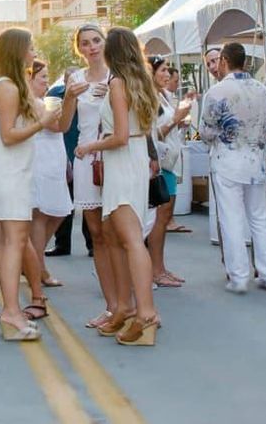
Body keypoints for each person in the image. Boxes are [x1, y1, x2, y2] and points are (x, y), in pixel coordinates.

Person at [75, 27, 159, 346]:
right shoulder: (132, 81)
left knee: (131, 239)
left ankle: (145, 312)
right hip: (128, 161)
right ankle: (124, 306)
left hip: (123, 162)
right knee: (113, 234)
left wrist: (89, 147)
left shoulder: (119, 83)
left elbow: (121, 135)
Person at [0, 29, 59, 342]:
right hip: (9, 173)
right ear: (19, 51)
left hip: (12, 172)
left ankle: (11, 311)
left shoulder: (10, 86)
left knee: (11, 243)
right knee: (14, 242)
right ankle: (11, 312)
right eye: (30, 48)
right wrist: (41, 124)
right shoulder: (7, 88)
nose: (34, 52)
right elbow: (7, 135)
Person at [199, 42, 266, 294]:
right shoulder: (264, 91)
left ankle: (239, 276)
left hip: (227, 160)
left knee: (231, 218)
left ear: (223, 60)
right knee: (259, 217)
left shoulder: (217, 92)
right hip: (256, 160)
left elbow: (205, 131)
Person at [59, 24, 117, 329]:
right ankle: (111, 307)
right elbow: (63, 124)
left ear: (105, 42)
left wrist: (113, 95)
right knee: (97, 234)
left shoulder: (117, 76)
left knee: (118, 232)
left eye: (96, 40)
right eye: (85, 43)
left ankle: (126, 305)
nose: (92, 47)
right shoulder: (76, 79)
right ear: (78, 48)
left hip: (114, 158)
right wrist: (69, 97)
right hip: (85, 159)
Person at [145, 56, 192, 289]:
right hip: (161, 162)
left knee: (164, 218)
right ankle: (155, 270)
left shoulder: (163, 95)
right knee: (158, 219)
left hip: (170, 161)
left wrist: (179, 120)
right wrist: (175, 119)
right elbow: (154, 134)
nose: (167, 74)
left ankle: (160, 267)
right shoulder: (150, 98)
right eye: (163, 70)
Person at [27, 60, 71, 288]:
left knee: (59, 211)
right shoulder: (34, 103)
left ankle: (33, 260)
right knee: (42, 215)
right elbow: (57, 126)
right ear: (30, 79)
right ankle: (39, 267)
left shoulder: (43, 102)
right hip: (41, 161)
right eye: (42, 76)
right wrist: (69, 102)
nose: (46, 80)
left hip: (54, 160)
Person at [48, 66, 93, 257]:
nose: (72, 83)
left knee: (88, 201)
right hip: (63, 151)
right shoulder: (54, 95)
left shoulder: (89, 92)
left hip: (84, 151)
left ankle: (92, 244)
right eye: (68, 80)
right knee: (66, 202)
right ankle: (62, 244)